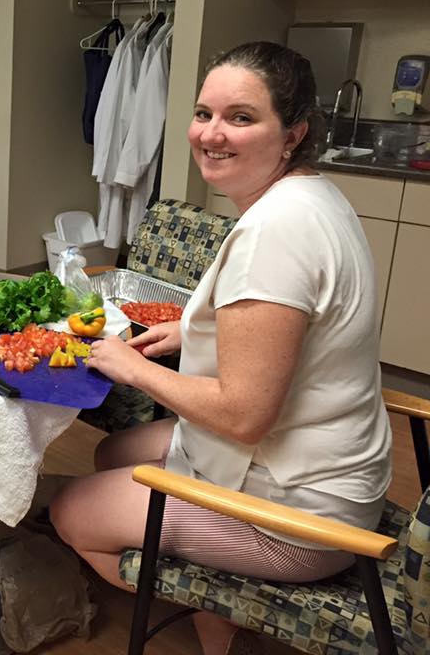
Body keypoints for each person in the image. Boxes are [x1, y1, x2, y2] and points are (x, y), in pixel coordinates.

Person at [50, 42, 391, 655]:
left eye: (241, 117)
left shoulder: (273, 236)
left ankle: (219, 622)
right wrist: (194, 330)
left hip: (303, 513)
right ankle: (216, 604)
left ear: (293, 133)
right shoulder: (313, 196)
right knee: (114, 452)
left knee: (70, 512)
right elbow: (297, 327)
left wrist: (131, 367)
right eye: (204, 113)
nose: (212, 134)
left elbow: (244, 413)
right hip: (331, 463)